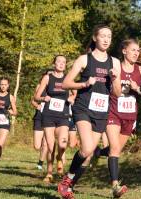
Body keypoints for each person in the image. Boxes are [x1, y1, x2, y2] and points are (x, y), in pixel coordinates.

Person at [57, 24, 121, 199]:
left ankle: (67, 182)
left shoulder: (115, 63)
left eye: (109, 36)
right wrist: (84, 84)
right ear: (95, 38)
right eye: (103, 36)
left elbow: (117, 92)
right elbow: (65, 83)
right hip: (83, 107)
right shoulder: (84, 59)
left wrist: (115, 79)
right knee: (86, 149)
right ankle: (67, 181)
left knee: (89, 153)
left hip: (101, 112)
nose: (106, 39)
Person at [95, 39, 141, 198]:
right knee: (114, 149)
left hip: (130, 117)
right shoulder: (115, 67)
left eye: (138, 51)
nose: (136, 53)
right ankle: (115, 186)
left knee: (113, 150)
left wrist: (137, 88)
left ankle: (94, 152)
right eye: (133, 50)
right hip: (113, 113)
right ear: (124, 51)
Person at [35, 55, 75, 183]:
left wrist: (72, 99)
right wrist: (43, 98)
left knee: (63, 143)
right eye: (59, 61)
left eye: (64, 62)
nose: (61, 64)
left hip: (63, 115)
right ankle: (49, 173)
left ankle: (59, 157)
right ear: (54, 64)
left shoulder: (68, 78)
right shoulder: (47, 78)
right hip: (48, 115)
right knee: (51, 146)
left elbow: (75, 92)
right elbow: (36, 96)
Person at [31, 69, 54, 171]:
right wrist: (37, 106)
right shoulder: (39, 86)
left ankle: (40, 162)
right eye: (48, 75)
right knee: (37, 146)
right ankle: (41, 156)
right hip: (40, 116)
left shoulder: (58, 87)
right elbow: (33, 100)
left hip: (51, 116)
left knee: (46, 143)